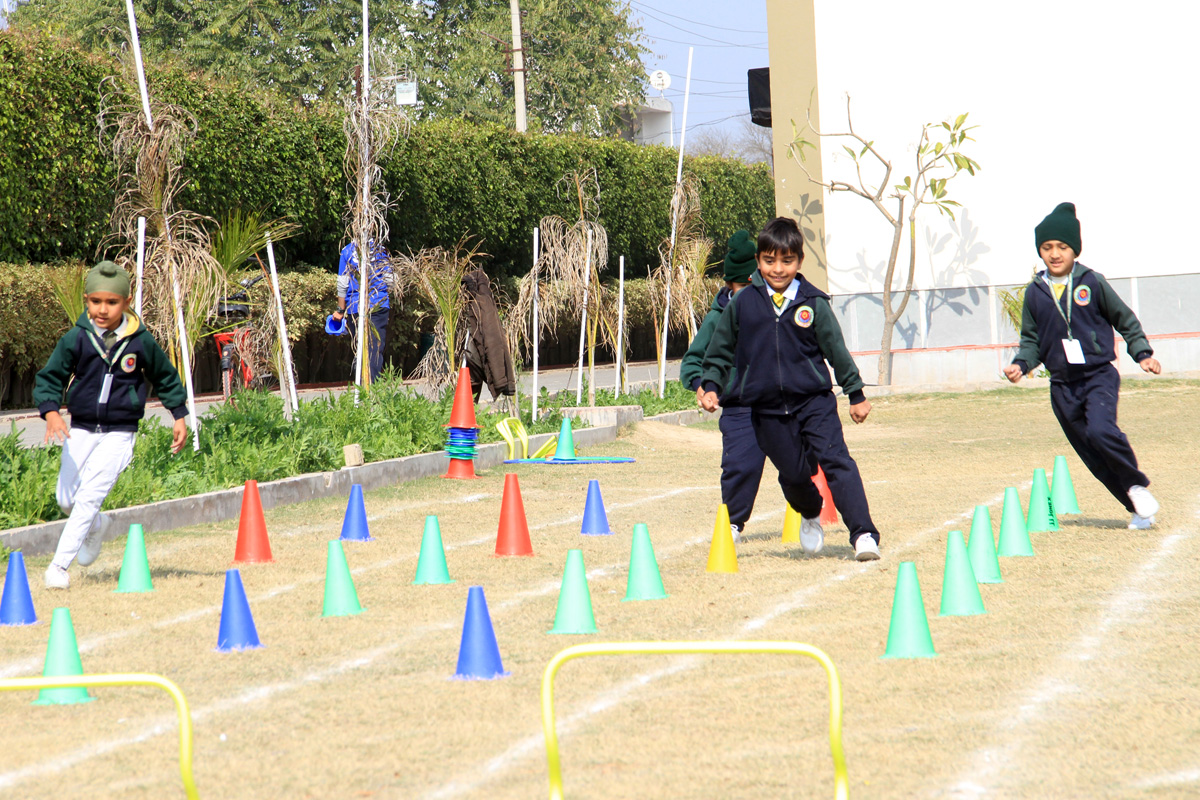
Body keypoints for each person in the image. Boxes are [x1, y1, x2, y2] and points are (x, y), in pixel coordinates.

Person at [700, 216, 881, 561]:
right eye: (769, 261)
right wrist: (711, 385)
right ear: (758, 262)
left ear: (799, 261)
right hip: (765, 409)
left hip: (814, 402)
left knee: (837, 461)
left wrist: (855, 394)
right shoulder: (742, 304)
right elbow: (720, 349)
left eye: (786, 261)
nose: (778, 269)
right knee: (795, 475)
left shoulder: (814, 303)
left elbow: (836, 351)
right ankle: (810, 512)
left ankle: (864, 535)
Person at [1003, 202, 1161, 529]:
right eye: (1047, 247)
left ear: (1074, 249)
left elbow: (1124, 319)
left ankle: (1136, 484)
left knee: (1102, 431)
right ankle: (1135, 508)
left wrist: (1142, 352)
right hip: (1062, 386)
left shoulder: (1092, 282)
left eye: (1062, 246)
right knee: (1091, 453)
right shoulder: (1035, 293)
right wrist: (1021, 364)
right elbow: (1031, 339)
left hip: (1098, 375)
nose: (1055, 253)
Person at [33, 260, 188, 589]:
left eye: (112, 302)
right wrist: (51, 412)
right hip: (82, 429)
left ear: (126, 302)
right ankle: (96, 525)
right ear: (87, 300)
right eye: (95, 301)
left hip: (120, 432)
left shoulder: (140, 342)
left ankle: (58, 567)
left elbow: (165, 377)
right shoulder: (76, 338)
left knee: (88, 497)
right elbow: (50, 378)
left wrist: (179, 415)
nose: (103, 309)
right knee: (66, 500)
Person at [680, 230, 823, 551]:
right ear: (730, 285)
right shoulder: (720, 317)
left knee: (798, 469)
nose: (748, 292)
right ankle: (732, 523)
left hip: (786, 404)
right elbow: (693, 363)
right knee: (739, 465)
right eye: (741, 286)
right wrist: (703, 387)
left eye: (751, 284)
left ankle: (809, 513)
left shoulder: (782, 305)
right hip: (741, 405)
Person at [332, 239, 392, 383]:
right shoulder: (381, 250)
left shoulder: (347, 250)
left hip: (355, 306)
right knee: (375, 348)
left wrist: (340, 310)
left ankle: (362, 384)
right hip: (378, 304)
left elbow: (342, 283)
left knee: (360, 346)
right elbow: (390, 281)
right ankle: (372, 387)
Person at [462, 268, 517, 403]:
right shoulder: (485, 302)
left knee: (470, 386)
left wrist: (500, 380)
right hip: (475, 354)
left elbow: (492, 342)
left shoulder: (483, 304)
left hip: (474, 355)